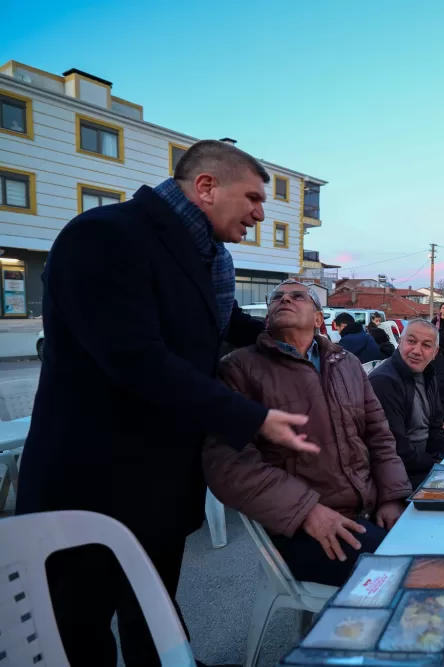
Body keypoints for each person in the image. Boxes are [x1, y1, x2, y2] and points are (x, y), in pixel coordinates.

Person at [16, 141, 319, 667]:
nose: (259, 213)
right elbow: (135, 358)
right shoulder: (105, 235)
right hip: (93, 478)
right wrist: (251, 418)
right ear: (206, 187)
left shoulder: (209, 259)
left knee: (153, 608)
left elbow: (219, 325)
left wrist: (295, 336)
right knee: (79, 625)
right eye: (252, 198)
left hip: (161, 480)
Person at [204, 281, 410, 589]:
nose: (285, 299)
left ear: (318, 318)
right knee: (410, 572)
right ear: (268, 317)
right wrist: (306, 511)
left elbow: (379, 436)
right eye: (277, 297)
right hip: (301, 525)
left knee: (442, 543)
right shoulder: (239, 369)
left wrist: (391, 497)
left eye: (297, 296)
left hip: (366, 509)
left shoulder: (347, 363)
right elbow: (228, 464)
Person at [369, 320, 444, 487]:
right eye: (411, 341)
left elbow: (436, 426)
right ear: (400, 342)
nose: (417, 351)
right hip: (399, 475)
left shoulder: (429, 374)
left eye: (426, 345)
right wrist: (434, 464)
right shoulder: (384, 381)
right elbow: (398, 448)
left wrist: (440, 458)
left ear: (435, 352)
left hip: (426, 463)